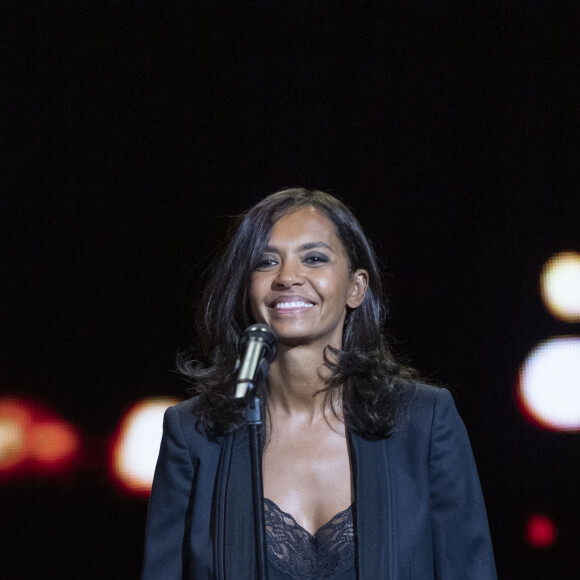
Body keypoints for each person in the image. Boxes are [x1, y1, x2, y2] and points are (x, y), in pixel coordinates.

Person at [141, 188, 497, 579]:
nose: (288, 277)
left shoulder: (425, 421)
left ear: (356, 287)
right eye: (265, 262)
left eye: (314, 258)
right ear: (246, 288)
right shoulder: (193, 433)